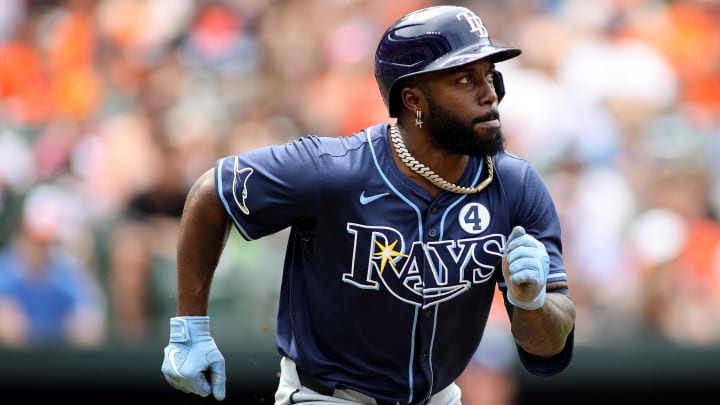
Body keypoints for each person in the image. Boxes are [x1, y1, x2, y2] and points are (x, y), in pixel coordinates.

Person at [161, 5, 576, 405]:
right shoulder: (334, 171)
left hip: (440, 397)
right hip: (326, 397)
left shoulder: (515, 185)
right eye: (465, 79)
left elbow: (548, 346)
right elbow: (212, 192)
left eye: (490, 76)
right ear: (414, 100)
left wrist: (531, 302)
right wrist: (189, 326)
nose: (490, 95)